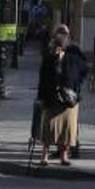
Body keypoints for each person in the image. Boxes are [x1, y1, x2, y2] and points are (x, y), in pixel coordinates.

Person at [36, 37, 83, 166]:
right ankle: (44, 156)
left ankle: (64, 155)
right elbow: (43, 80)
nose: (54, 50)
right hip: (51, 98)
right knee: (48, 128)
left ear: (62, 47)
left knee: (66, 130)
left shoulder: (72, 59)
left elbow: (82, 71)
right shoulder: (48, 60)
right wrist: (41, 98)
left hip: (68, 100)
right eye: (53, 47)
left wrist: (75, 89)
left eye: (57, 47)